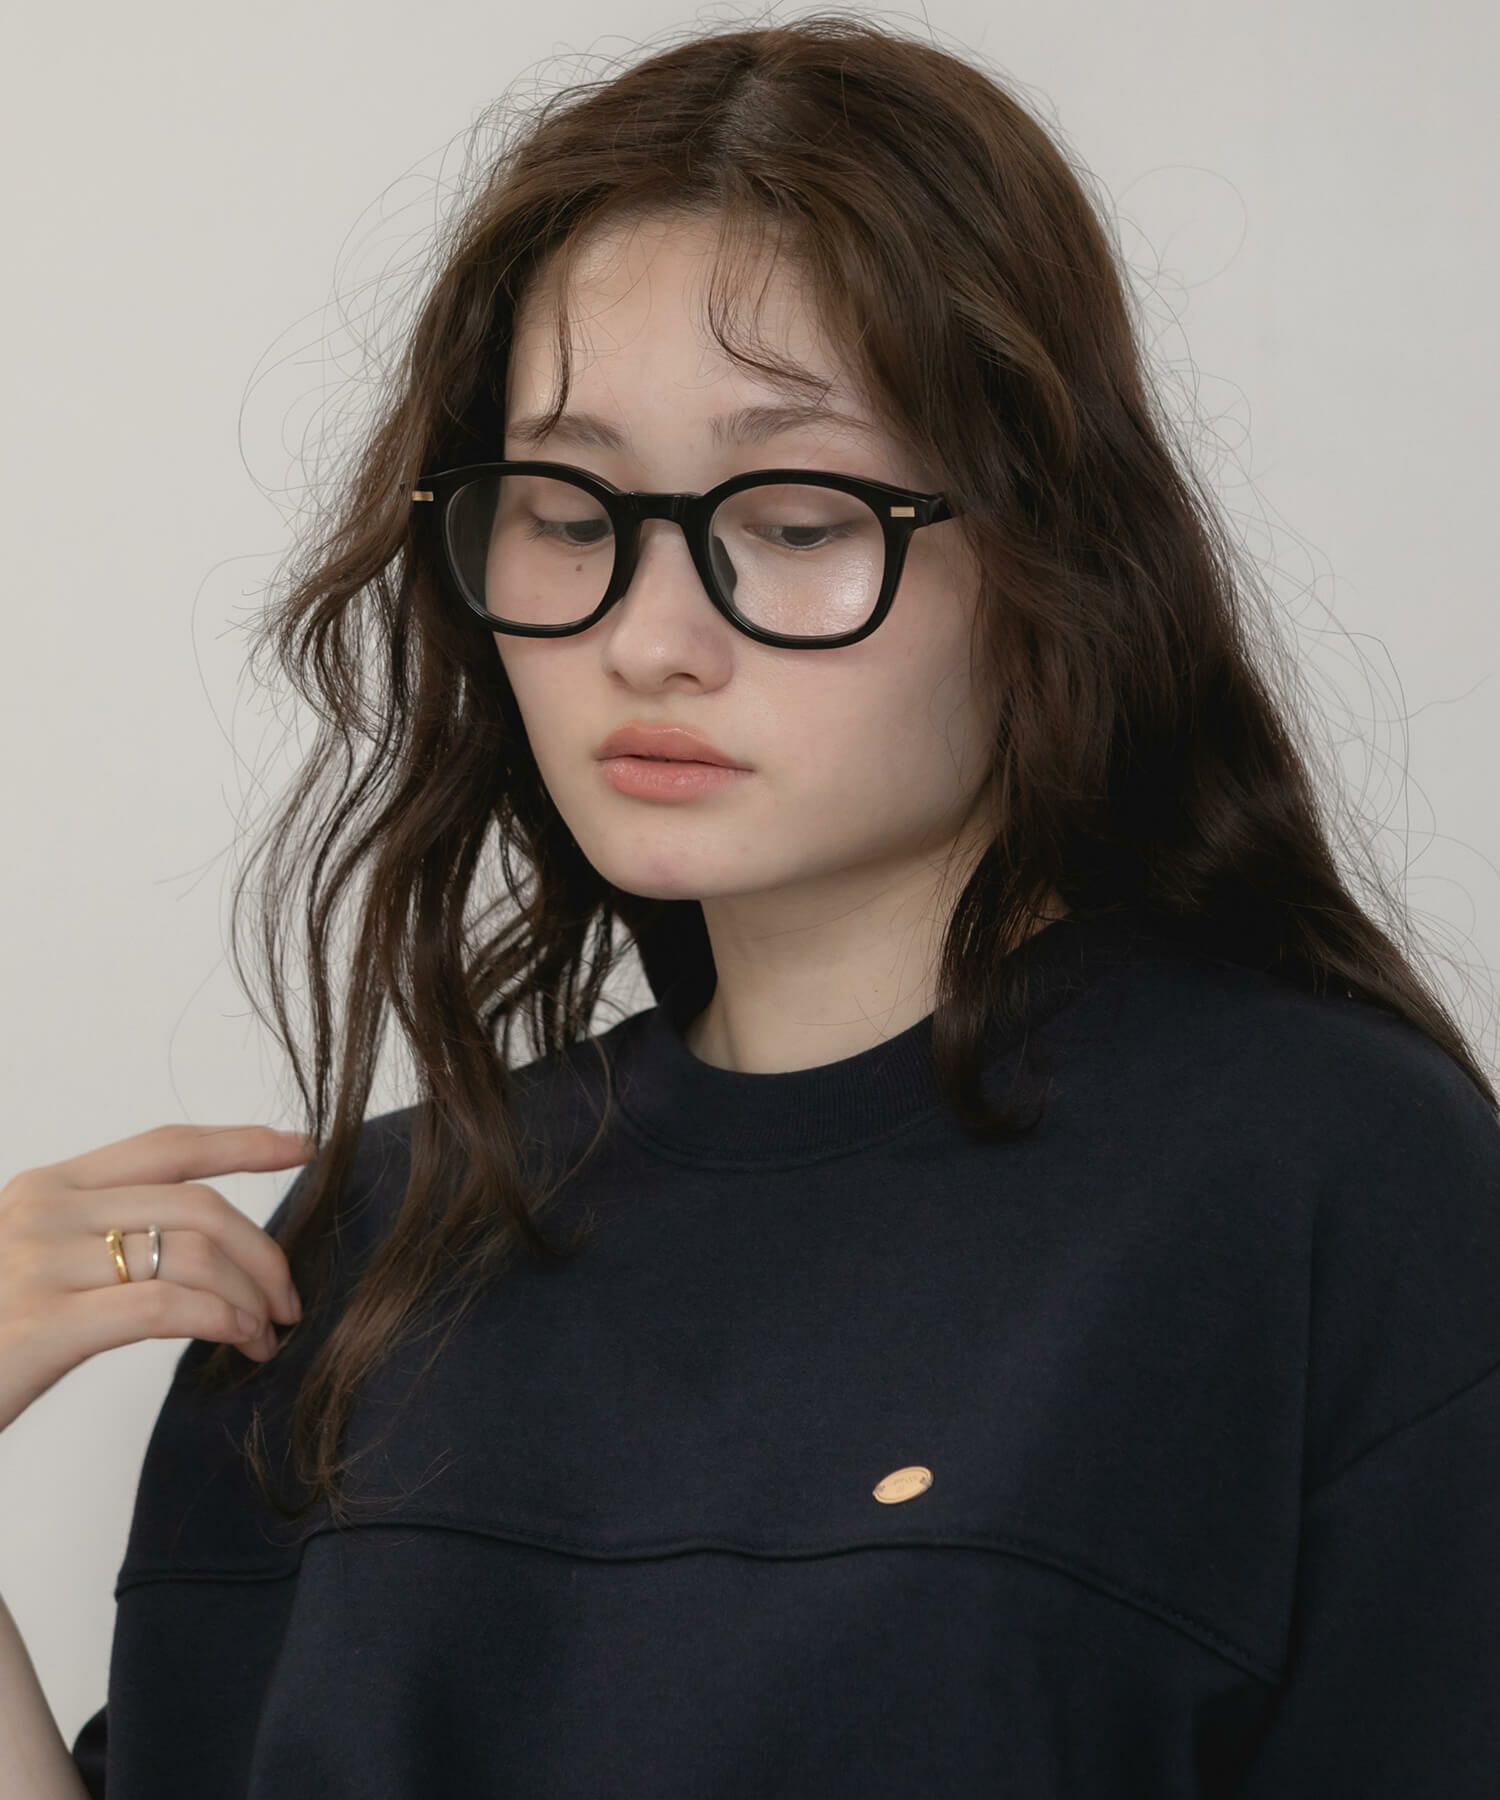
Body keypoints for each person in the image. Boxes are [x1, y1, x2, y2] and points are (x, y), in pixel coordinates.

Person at [3, 15, 1498, 1798]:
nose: (650, 636)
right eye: (567, 511)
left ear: (1052, 555)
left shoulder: (1326, 1181)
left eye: (792, 518)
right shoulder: (375, 1241)